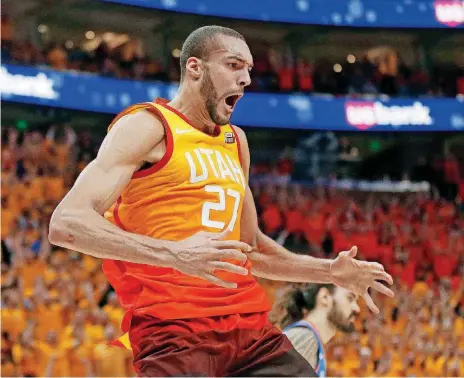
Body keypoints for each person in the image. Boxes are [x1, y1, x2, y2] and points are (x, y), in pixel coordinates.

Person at [49, 25, 394, 377]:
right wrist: (174, 255)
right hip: (174, 332)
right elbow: (66, 224)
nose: (245, 79)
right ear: (195, 68)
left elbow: (251, 250)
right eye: (233, 65)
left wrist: (328, 272)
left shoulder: (235, 141)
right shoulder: (149, 126)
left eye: (249, 70)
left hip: (250, 334)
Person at [271, 283, 360, 376]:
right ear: (325, 297)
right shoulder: (305, 338)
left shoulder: (310, 339)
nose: (357, 308)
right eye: (350, 298)